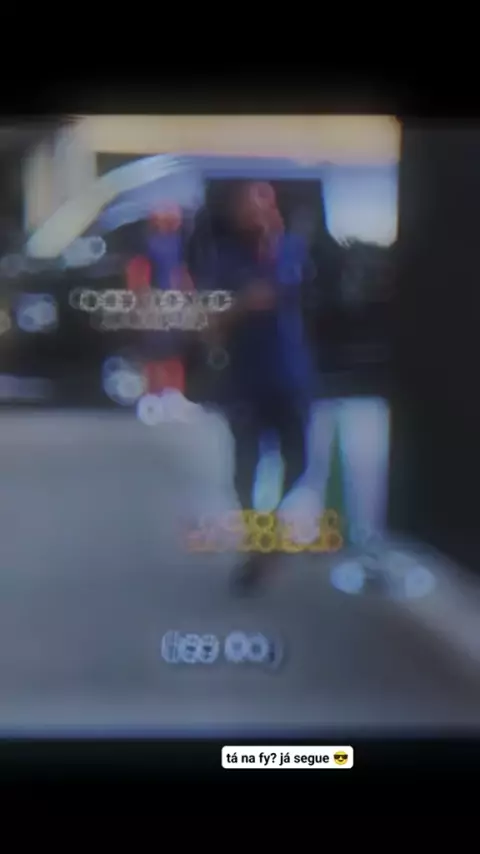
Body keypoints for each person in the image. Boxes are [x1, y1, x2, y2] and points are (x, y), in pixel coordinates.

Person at [198, 181, 315, 592]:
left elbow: (302, 295)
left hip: (289, 374)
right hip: (245, 379)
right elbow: (210, 319)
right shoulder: (224, 260)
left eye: (264, 206)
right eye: (249, 207)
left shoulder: (292, 251)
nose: (258, 214)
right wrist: (242, 305)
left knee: (299, 462)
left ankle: (272, 530)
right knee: (246, 468)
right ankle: (258, 546)